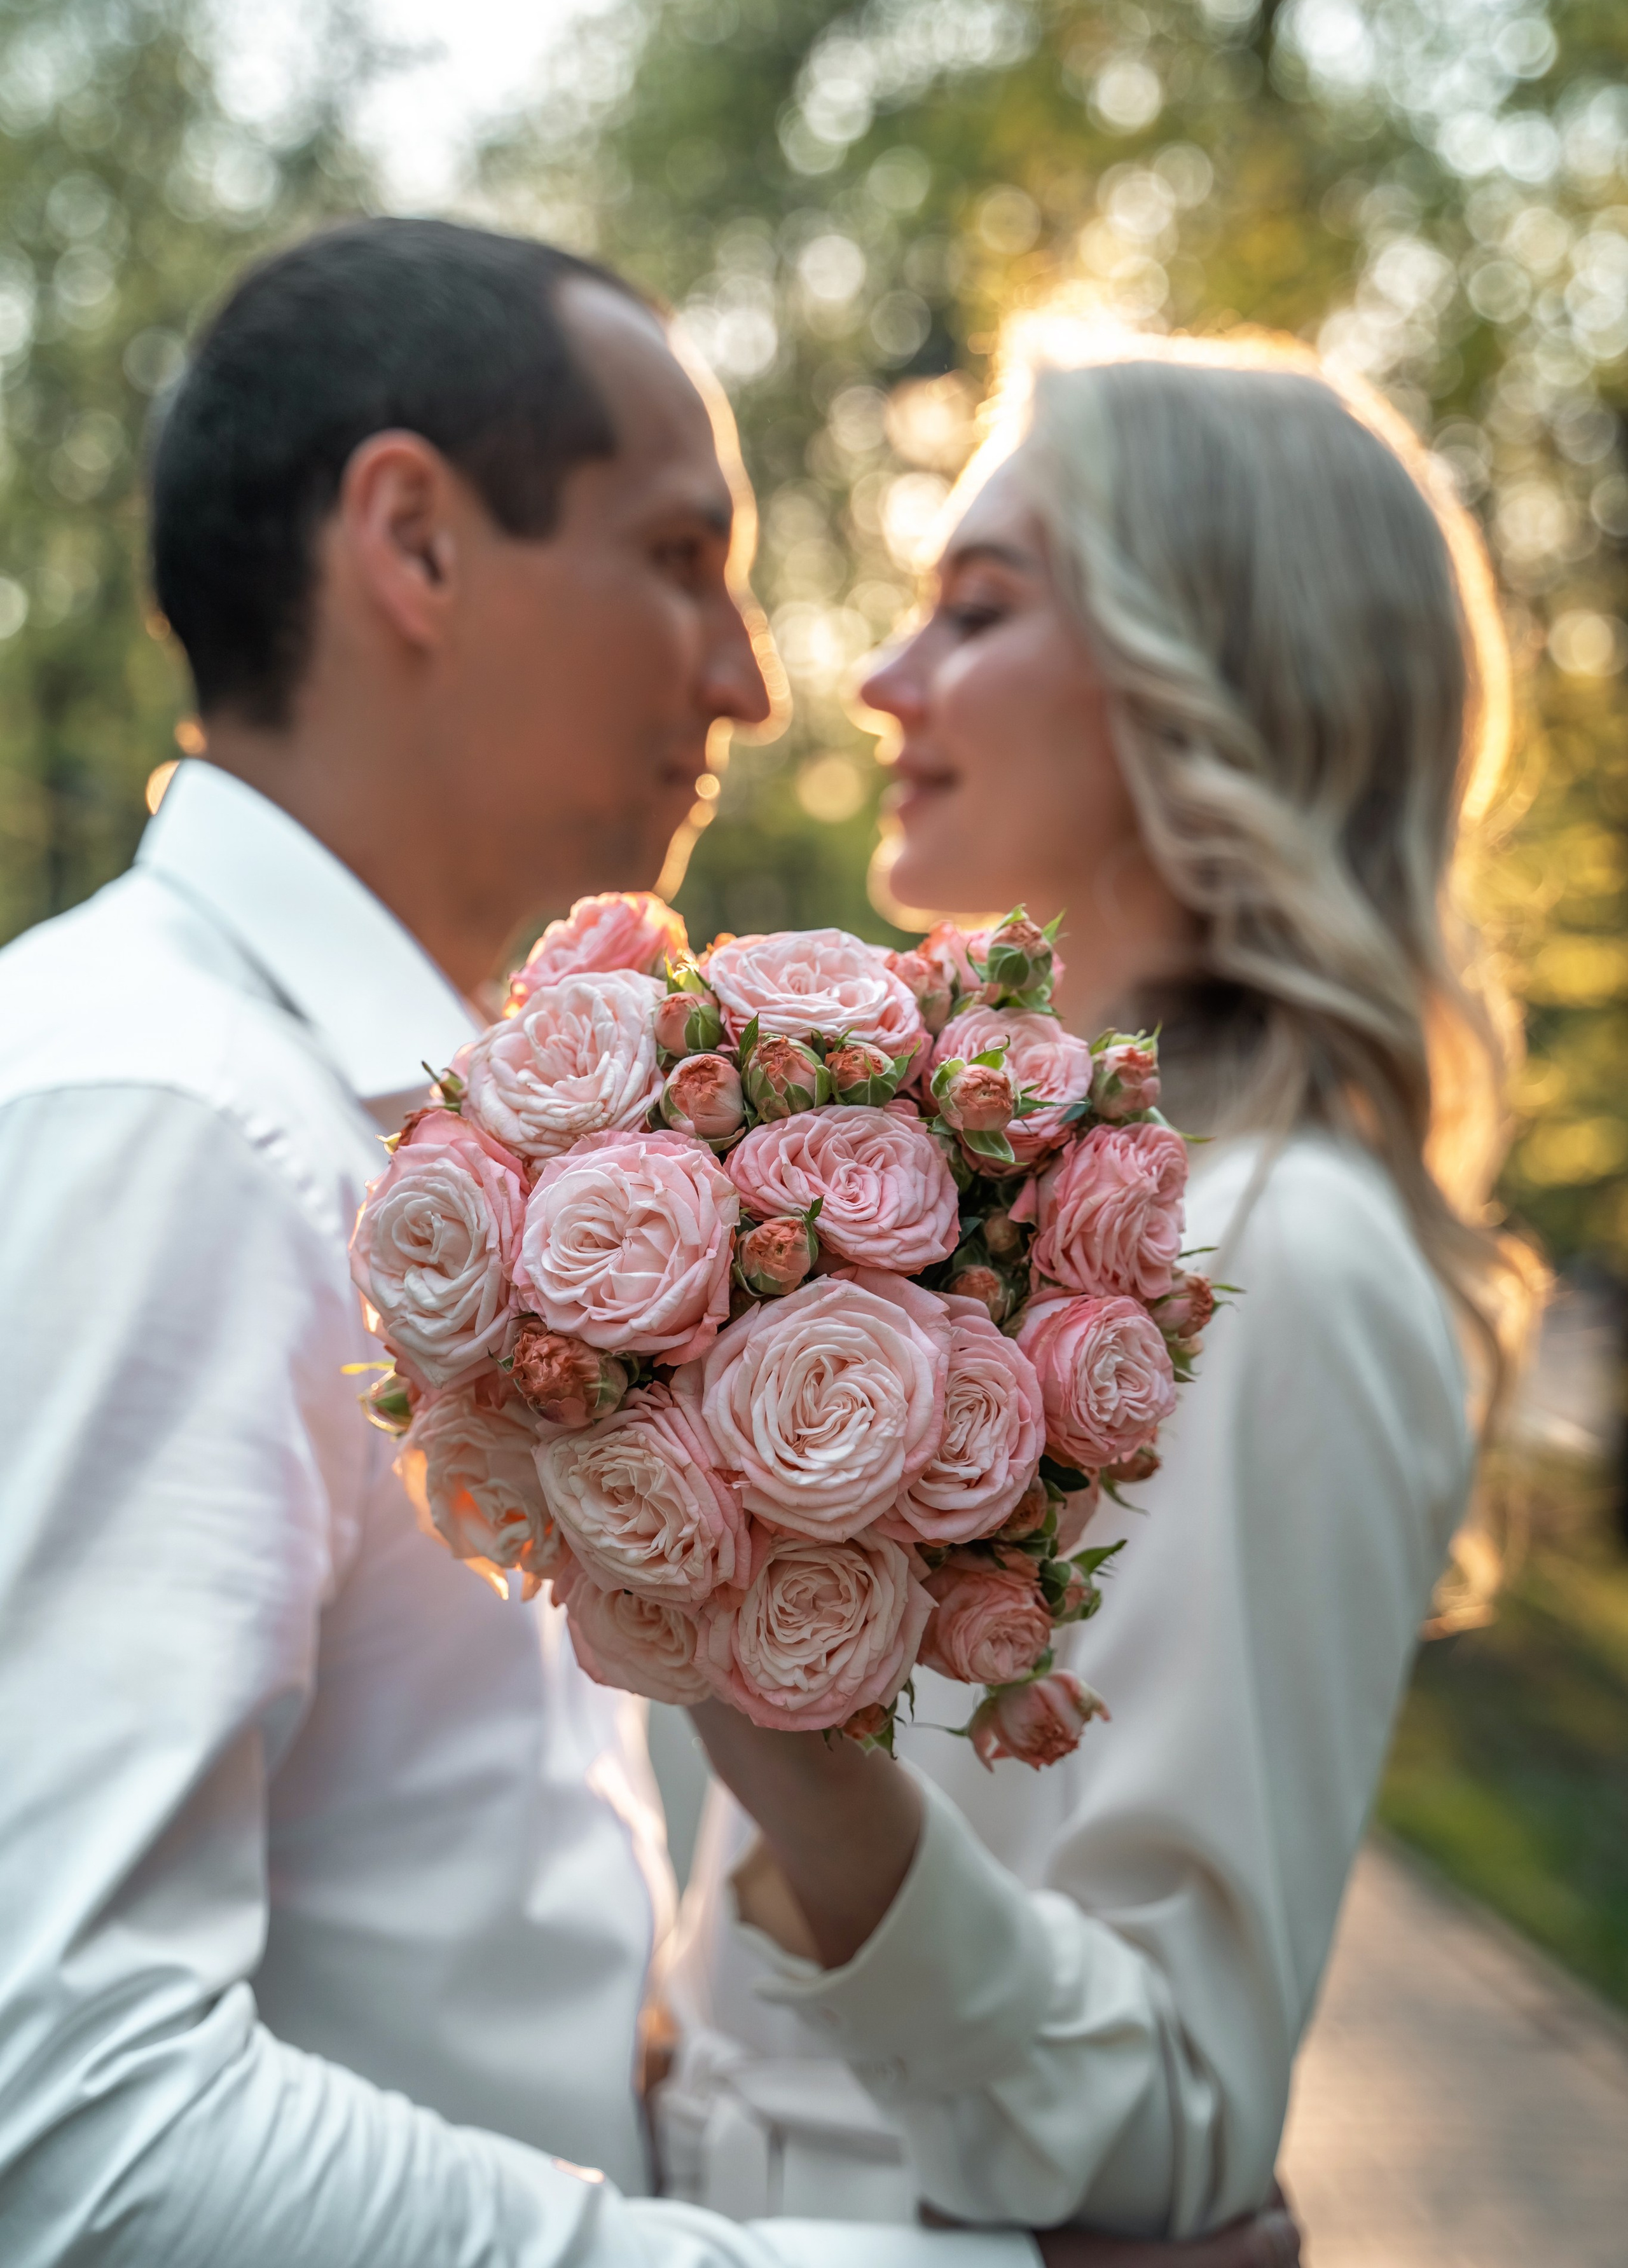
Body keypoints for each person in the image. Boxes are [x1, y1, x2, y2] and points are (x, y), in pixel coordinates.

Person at [0, 220, 1291, 2268]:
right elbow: (70, 2131)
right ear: (414, 543)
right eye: (684, 555)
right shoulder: (165, 1120)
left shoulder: (395, 1124)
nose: (756, 674)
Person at [661, 328, 1533, 2245]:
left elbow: (1185, 2127)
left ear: (1205, 671)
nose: (880, 685)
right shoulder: (949, 1206)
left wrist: (794, 1763)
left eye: (975, 609)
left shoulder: (1292, 1256)